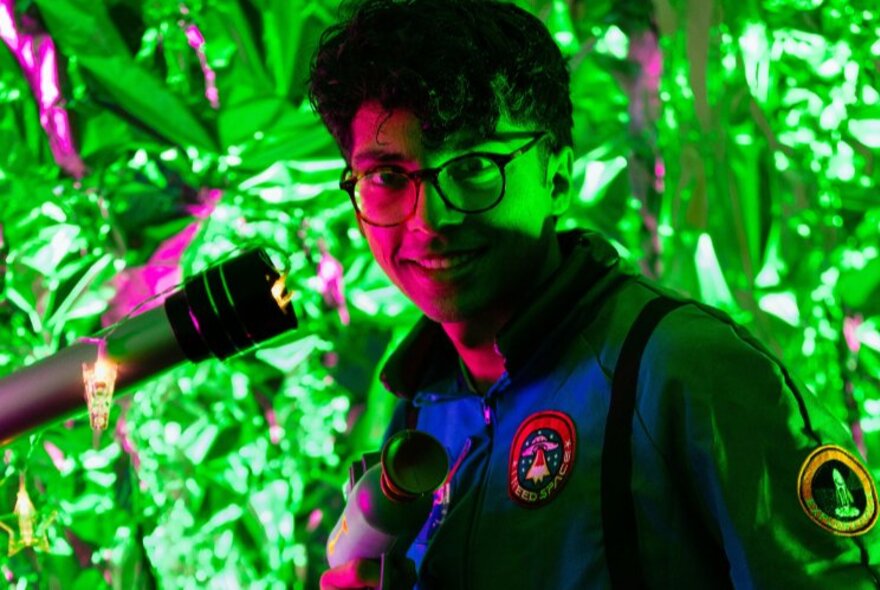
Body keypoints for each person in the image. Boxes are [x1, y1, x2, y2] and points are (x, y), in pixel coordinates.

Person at [307, 0, 880, 588]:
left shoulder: (687, 371)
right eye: (385, 177)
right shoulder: (421, 404)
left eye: (474, 165)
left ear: (557, 177)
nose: (429, 219)